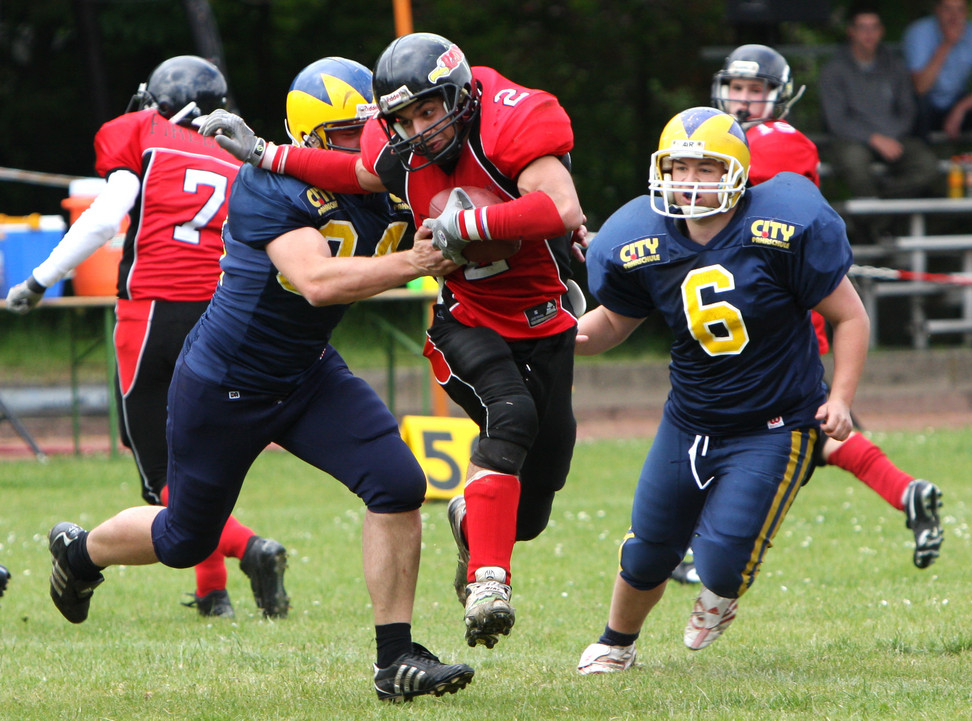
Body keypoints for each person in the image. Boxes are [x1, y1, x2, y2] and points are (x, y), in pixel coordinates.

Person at [47, 55, 474, 703]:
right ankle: (81, 555)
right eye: (346, 132)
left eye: (378, 124)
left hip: (307, 374)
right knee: (183, 538)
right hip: (224, 383)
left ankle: (396, 658)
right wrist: (418, 260)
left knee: (397, 483)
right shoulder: (270, 184)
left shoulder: (399, 174)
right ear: (308, 139)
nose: (372, 142)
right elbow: (317, 281)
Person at [200, 32, 586, 651]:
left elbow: (560, 208)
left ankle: (471, 519)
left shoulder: (516, 117)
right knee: (508, 418)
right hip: (468, 317)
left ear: (460, 97)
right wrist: (269, 154)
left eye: (428, 111)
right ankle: (489, 583)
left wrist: (470, 223)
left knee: (534, 507)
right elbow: (353, 171)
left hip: (544, 320)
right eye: (401, 118)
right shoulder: (393, 147)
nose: (417, 130)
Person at [576, 106, 870, 674]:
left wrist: (841, 398)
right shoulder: (644, 238)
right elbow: (612, 322)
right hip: (689, 421)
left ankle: (720, 594)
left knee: (721, 562)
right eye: (679, 167)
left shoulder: (781, 226)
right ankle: (616, 643)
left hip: (775, 425)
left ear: (735, 171)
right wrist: (561, 338)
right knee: (648, 547)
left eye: (706, 169)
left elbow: (850, 317)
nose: (690, 182)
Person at [5, 55, 287, 619]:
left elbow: (109, 216)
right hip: (223, 316)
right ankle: (213, 594)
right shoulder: (238, 155)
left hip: (154, 313)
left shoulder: (140, 132)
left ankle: (248, 547)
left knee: (161, 475)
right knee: (198, 457)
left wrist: (39, 280)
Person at [712, 43, 944, 573]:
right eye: (738, 89)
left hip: (782, 313)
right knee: (825, 433)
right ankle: (910, 494)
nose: (744, 102)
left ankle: (710, 547)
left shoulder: (781, 142)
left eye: (756, 91)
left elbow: (724, 200)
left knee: (747, 431)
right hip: (751, 307)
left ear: (780, 98)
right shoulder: (724, 139)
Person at [819, 5, 940, 202]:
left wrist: (889, 137)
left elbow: (908, 111)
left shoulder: (896, 66)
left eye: (874, 27)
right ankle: (876, 225)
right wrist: (873, 138)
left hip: (895, 138)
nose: (869, 34)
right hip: (852, 140)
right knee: (854, 164)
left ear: (881, 31)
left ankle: (881, 206)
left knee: (928, 165)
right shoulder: (833, 71)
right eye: (862, 27)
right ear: (851, 31)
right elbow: (837, 121)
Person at [903, 0, 972, 154]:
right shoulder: (919, 32)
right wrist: (947, 44)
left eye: (960, 9)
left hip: (958, 104)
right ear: (937, 10)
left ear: (967, 12)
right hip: (925, 109)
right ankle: (923, 167)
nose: (954, 16)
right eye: (948, 9)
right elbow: (920, 87)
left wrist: (961, 108)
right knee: (918, 103)